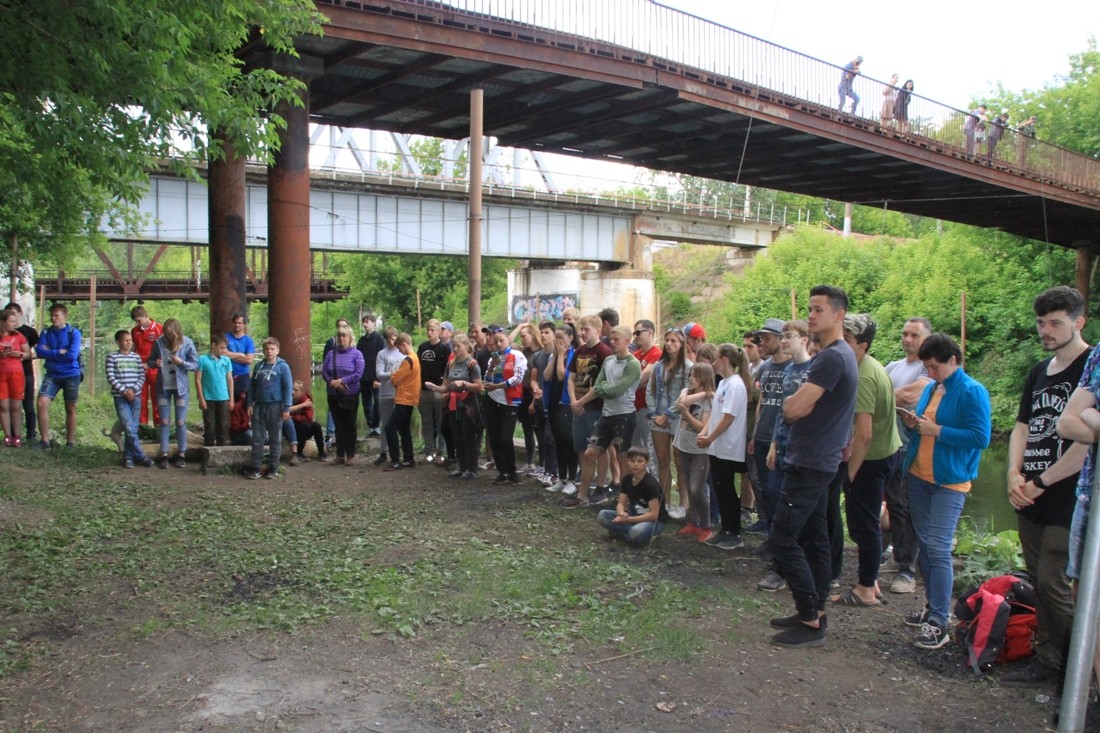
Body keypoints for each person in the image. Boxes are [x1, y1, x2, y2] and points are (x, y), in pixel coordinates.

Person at [1002, 287, 1090, 686]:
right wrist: (1013, 473)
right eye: (1041, 322)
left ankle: (1077, 671)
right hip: (1029, 492)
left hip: (1068, 497)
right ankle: (1049, 659)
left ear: (1078, 322)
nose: (1046, 330)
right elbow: (1022, 427)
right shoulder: (1039, 371)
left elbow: (1086, 444)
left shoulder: (1091, 368)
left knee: (1055, 583)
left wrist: (1041, 482)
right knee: (1037, 579)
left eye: (1056, 322)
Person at [767, 285, 858, 648]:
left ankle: (809, 617)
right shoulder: (839, 355)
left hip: (811, 462)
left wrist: (792, 403)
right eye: (809, 309)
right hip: (819, 460)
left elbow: (792, 409)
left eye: (819, 309)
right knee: (814, 537)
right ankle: (815, 609)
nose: (811, 315)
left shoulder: (832, 358)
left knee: (782, 537)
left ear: (839, 315)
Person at [899, 333, 991, 650]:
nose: (930, 372)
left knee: (938, 547)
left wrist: (937, 430)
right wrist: (914, 424)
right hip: (919, 475)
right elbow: (925, 426)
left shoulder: (971, 391)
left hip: (949, 482)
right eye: (927, 367)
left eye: (935, 367)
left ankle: (940, 621)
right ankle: (932, 607)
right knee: (926, 546)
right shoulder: (932, 387)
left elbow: (980, 437)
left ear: (953, 360)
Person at [837, 314, 901, 606]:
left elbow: (863, 434)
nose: (841, 344)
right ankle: (870, 579)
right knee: (865, 522)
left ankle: (865, 589)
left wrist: (849, 474)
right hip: (885, 453)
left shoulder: (864, 375)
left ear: (863, 345)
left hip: (871, 459)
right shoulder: (871, 365)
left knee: (864, 525)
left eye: (847, 340)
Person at [1055, 342, 1100, 692]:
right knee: (1083, 593)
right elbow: (1067, 422)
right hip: (1090, 497)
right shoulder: (1098, 355)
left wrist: (1093, 416)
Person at [757, 320, 813, 593]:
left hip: (804, 451)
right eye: (782, 337)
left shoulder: (813, 371)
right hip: (782, 445)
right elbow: (782, 412)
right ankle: (778, 553)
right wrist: (773, 444)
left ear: (804, 339)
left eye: (788, 336)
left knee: (796, 510)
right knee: (771, 494)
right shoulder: (789, 370)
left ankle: (787, 567)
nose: (783, 341)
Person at [564, 325, 641, 508]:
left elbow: (616, 391)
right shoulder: (608, 361)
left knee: (623, 457)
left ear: (627, 341)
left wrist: (602, 388)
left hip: (624, 415)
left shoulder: (632, 364)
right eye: (611, 339)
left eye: (616, 339)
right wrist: (581, 402)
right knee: (590, 453)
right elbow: (597, 387)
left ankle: (624, 500)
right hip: (607, 415)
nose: (612, 342)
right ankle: (582, 496)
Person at [883, 317, 933, 594]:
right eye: (904, 334)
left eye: (914, 335)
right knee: (893, 504)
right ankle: (899, 555)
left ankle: (908, 570)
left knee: (907, 506)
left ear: (927, 338)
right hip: (889, 445)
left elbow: (908, 396)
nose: (907, 339)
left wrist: (879, 396)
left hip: (912, 447)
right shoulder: (893, 366)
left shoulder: (929, 368)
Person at [699, 343, 752, 551]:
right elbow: (716, 413)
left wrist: (710, 438)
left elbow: (728, 418)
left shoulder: (735, 385)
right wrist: (705, 432)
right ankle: (725, 529)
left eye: (715, 358)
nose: (713, 363)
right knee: (720, 487)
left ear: (724, 360)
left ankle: (735, 532)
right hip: (717, 446)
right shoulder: (723, 383)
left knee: (727, 489)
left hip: (728, 446)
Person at [646, 326, 692, 518]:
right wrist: (654, 413)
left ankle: (683, 504)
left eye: (674, 341)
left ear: (681, 344)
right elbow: (650, 391)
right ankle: (665, 502)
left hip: (678, 417)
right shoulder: (658, 366)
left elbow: (686, 394)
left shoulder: (688, 367)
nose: (669, 344)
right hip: (658, 417)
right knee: (662, 460)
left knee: (680, 461)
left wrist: (668, 415)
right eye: (667, 340)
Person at [749, 318, 790, 531]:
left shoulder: (793, 366)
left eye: (766, 338)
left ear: (780, 339)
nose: (761, 343)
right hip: (762, 435)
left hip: (781, 438)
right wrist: (755, 434)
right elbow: (762, 402)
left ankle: (779, 533)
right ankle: (769, 528)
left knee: (777, 489)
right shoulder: (765, 367)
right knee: (765, 486)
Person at [567, 315, 612, 498]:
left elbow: (602, 383)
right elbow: (571, 377)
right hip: (578, 407)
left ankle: (600, 485)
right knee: (580, 447)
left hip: (596, 407)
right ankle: (585, 483)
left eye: (586, 329)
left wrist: (582, 401)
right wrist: (573, 400)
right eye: (581, 329)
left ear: (597, 331)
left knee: (599, 448)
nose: (583, 332)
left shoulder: (604, 352)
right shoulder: (580, 351)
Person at [426, 332, 482, 479]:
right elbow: (446, 386)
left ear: (466, 346)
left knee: (469, 437)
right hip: (453, 405)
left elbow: (479, 386)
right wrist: (436, 388)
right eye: (453, 346)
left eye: (458, 346)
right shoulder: (451, 363)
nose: (455, 349)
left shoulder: (472, 364)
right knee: (457, 436)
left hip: (468, 405)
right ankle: (462, 467)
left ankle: (472, 468)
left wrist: (464, 384)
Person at [148, 318, 199, 468]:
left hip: (181, 388)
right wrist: (155, 363)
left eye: (169, 334)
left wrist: (182, 363)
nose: (167, 336)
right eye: (165, 333)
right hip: (163, 387)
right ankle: (164, 454)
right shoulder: (158, 342)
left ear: (176, 333)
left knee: (180, 422)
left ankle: (181, 454)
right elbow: (150, 361)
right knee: (164, 421)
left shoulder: (187, 342)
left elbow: (196, 365)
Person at [672, 362, 714, 540]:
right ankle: (693, 522)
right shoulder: (687, 391)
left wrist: (687, 414)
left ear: (704, 378)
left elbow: (701, 427)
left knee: (698, 488)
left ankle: (706, 525)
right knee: (689, 485)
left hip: (699, 451)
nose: (691, 379)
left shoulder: (710, 402)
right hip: (683, 446)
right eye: (690, 375)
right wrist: (703, 393)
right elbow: (680, 403)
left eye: (695, 376)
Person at [482, 324, 528, 485]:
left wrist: (498, 386)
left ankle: (512, 470)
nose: (499, 344)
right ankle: (502, 471)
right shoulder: (492, 358)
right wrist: (491, 368)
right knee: (494, 438)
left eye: (501, 340)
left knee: (506, 438)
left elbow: (517, 378)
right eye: (496, 342)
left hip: (509, 402)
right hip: (493, 400)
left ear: (508, 339)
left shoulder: (517, 355)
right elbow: (487, 380)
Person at [597, 446, 669, 546]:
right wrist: (621, 513)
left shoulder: (651, 485)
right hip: (633, 515)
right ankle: (631, 535)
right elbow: (621, 503)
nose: (635, 464)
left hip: (654, 521)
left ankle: (623, 533)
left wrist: (628, 520)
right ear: (627, 462)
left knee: (636, 531)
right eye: (632, 461)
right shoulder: (627, 480)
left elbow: (654, 514)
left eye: (640, 461)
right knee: (603, 515)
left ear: (647, 463)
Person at [244, 337, 293, 480]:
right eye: (267, 349)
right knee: (257, 438)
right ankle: (255, 468)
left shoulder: (283, 367)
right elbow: (252, 386)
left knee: (275, 438)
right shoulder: (258, 366)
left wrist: (286, 408)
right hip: (259, 406)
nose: (269, 352)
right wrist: (249, 403)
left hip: (275, 406)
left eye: (272, 349)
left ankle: (273, 467)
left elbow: (288, 387)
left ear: (277, 350)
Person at [34, 304, 82, 449]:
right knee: (41, 403)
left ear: (64, 316)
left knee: (70, 407)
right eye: (51, 316)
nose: (53, 318)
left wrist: (50, 352)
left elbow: (71, 355)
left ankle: (70, 442)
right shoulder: (46, 332)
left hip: (71, 374)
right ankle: (45, 441)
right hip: (52, 374)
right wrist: (58, 352)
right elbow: (40, 352)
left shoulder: (74, 332)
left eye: (56, 315)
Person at [105, 329, 152, 468]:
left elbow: (141, 376)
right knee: (129, 428)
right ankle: (142, 456)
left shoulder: (136, 357)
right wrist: (125, 391)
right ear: (118, 342)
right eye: (126, 340)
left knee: (133, 429)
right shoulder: (112, 357)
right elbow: (111, 377)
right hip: (120, 397)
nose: (129, 343)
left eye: (130, 340)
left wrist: (133, 390)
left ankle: (128, 458)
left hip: (136, 397)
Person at [322, 323, 364, 466]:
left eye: (344, 335)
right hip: (333, 394)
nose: (341, 338)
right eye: (339, 335)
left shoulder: (357, 354)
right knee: (338, 424)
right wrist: (333, 383)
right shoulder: (330, 354)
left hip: (350, 394)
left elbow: (358, 374)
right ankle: (340, 455)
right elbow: (324, 372)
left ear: (350, 337)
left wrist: (341, 381)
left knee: (349, 424)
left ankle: (350, 455)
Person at [547, 325, 578, 495]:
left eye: (561, 337)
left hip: (566, 402)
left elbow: (561, 376)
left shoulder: (574, 355)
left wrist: (560, 356)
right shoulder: (554, 355)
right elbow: (547, 375)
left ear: (570, 337)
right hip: (553, 401)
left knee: (568, 440)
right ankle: (562, 477)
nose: (558, 341)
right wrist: (555, 356)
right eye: (556, 337)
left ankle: (572, 479)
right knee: (558, 440)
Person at [382, 332, 420, 471]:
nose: (399, 351)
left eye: (399, 348)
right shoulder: (415, 357)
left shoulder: (408, 360)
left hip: (404, 398)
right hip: (410, 398)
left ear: (404, 345)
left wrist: (394, 377)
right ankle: (409, 458)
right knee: (404, 429)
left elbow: (395, 378)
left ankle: (395, 460)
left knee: (390, 428)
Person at [417, 318, 450, 465]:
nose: (430, 333)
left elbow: (448, 369)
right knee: (427, 422)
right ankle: (428, 452)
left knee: (441, 422)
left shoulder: (444, 348)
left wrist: (444, 389)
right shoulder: (422, 347)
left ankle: (441, 452)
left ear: (438, 331)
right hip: (424, 390)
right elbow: (418, 369)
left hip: (439, 389)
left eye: (432, 330)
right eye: (428, 330)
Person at [4, 303, 37, 444]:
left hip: (24, 372)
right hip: (4, 373)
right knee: (6, 405)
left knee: (26, 405)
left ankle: (29, 434)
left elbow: (36, 352)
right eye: (9, 315)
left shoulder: (27, 332)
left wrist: (21, 355)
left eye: (14, 314)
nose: (12, 318)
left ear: (20, 313)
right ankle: (10, 435)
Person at [196, 334, 234, 447]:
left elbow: (230, 380)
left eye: (225, 348)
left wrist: (231, 398)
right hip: (208, 398)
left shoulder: (226, 360)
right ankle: (208, 450)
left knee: (222, 426)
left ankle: (221, 450)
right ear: (213, 345)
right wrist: (201, 398)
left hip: (223, 397)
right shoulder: (202, 359)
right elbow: (198, 380)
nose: (224, 350)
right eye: (222, 348)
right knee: (210, 427)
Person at [0, 308, 30, 446]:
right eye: (11, 321)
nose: (14, 324)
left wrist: (20, 354)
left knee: (16, 406)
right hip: (1, 374)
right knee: (3, 406)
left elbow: (28, 353)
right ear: (3, 322)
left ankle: (17, 435)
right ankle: (7, 435)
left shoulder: (19, 335)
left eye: (15, 321)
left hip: (16, 373)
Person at [130, 305, 162, 428]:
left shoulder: (159, 329)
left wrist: (157, 362)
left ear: (146, 316)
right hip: (140, 369)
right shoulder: (135, 331)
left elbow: (164, 350)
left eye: (139, 320)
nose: (138, 323)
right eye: (136, 321)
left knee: (157, 399)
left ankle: (158, 428)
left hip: (155, 369)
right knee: (141, 400)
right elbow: (134, 349)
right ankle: (142, 428)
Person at [374, 326, 402, 466]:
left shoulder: (403, 353)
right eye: (388, 340)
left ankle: (398, 452)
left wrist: (398, 376)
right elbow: (379, 374)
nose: (391, 342)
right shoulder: (382, 354)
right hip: (385, 393)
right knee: (385, 424)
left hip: (400, 393)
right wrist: (391, 375)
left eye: (393, 339)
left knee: (400, 424)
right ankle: (384, 452)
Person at [357, 314, 385, 437]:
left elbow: (382, 358)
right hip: (363, 377)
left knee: (378, 401)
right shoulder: (361, 341)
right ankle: (370, 426)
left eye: (367, 322)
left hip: (376, 377)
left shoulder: (379, 339)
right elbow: (358, 358)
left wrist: (378, 377)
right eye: (364, 322)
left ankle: (376, 425)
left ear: (374, 323)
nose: (365, 324)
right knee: (366, 403)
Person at [289, 379, 327, 463]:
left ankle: (321, 452)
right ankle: (298, 453)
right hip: (290, 428)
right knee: (304, 425)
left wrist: (292, 417)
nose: (292, 392)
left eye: (296, 390)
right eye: (292, 389)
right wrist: (302, 406)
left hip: (302, 428)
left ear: (302, 392)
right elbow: (284, 413)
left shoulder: (307, 400)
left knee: (315, 425)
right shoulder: (287, 398)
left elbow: (308, 418)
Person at [223, 314, 255, 400]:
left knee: (243, 402)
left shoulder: (248, 341)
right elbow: (222, 353)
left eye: (240, 323)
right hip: (227, 374)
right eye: (235, 322)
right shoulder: (226, 337)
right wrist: (240, 354)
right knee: (227, 402)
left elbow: (249, 360)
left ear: (244, 325)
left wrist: (229, 355)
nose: (237, 325)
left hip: (243, 376)